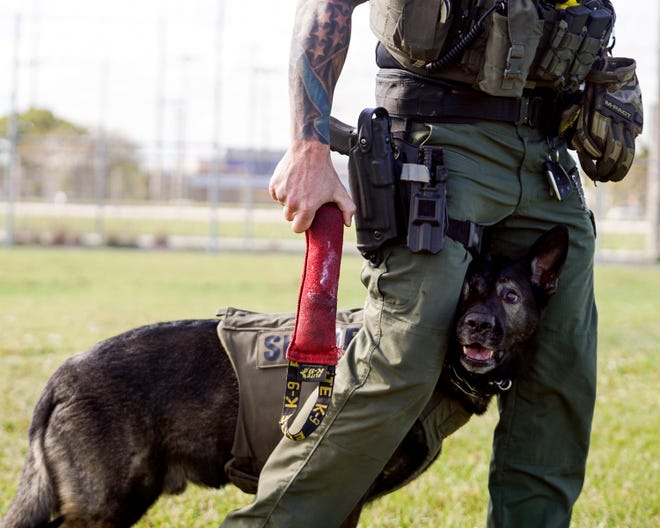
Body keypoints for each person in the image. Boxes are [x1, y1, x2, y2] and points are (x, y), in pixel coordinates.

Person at [222, 0, 641, 526]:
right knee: (396, 363)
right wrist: (309, 144)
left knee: (561, 378)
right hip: (438, 141)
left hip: (548, 155)